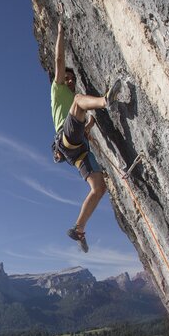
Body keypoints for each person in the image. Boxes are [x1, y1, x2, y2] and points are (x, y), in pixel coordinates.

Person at [52, 21, 121, 252]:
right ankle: (105, 101)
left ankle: (78, 228)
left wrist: (90, 125)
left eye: (72, 79)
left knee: (99, 188)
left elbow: (82, 128)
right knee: (80, 101)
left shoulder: (71, 99)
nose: (70, 81)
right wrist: (60, 32)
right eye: (68, 79)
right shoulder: (58, 89)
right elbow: (59, 61)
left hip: (78, 150)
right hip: (67, 138)